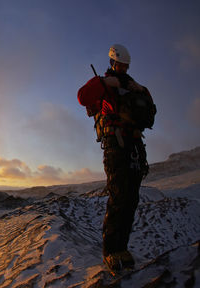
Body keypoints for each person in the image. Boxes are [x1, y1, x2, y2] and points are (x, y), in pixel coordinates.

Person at [77, 44, 155, 271]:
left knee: (131, 199)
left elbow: (149, 110)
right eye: (119, 64)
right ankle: (111, 252)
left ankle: (122, 248)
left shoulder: (134, 87)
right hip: (116, 145)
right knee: (120, 197)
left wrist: (140, 89)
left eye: (125, 65)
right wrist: (102, 83)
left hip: (134, 146)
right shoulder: (106, 83)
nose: (122, 68)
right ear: (112, 63)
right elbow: (83, 97)